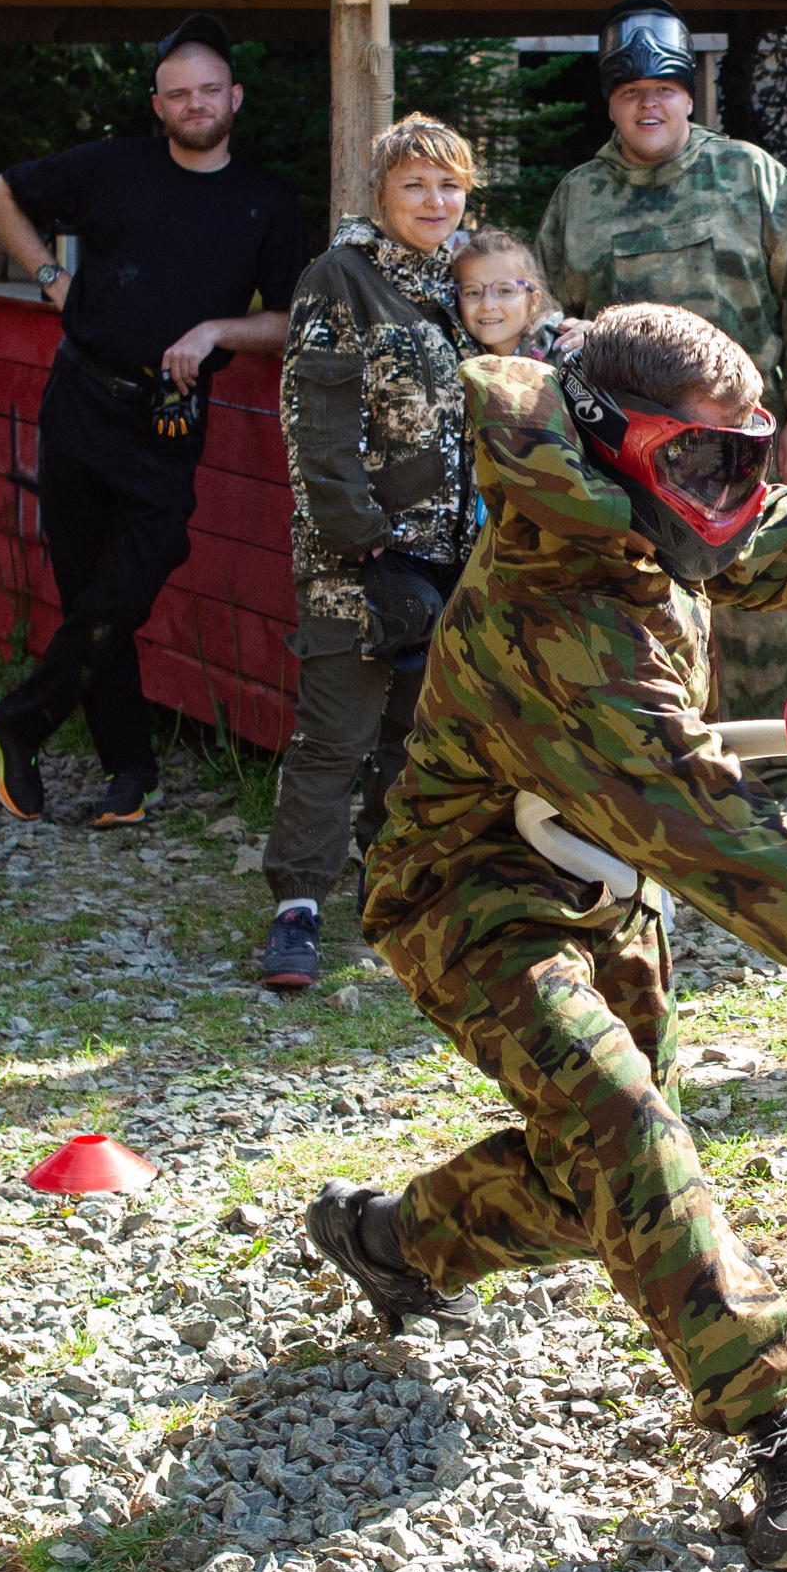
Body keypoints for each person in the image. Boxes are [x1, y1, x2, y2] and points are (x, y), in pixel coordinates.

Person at [305, 303, 787, 1571]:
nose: (726, 492)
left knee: (592, 1180)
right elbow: (736, 851)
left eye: (741, 456)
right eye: (701, 462)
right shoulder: (563, 614)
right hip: (467, 896)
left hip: (604, 883)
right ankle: (776, 1421)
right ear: (609, 438)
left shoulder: (642, 502)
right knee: (626, 1129)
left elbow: (749, 534)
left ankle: (389, 1240)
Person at [0, 13, 304, 827]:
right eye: (178, 94)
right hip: (80, 402)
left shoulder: (266, 201)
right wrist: (50, 278)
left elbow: (291, 319)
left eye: (209, 90)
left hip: (168, 418)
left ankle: (20, 720)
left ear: (235, 97)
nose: (195, 104)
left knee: (125, 588)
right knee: (89, 592)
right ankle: (131, 774)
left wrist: (217, 330)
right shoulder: (111, 168)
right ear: (158, 105)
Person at [537, 0, 787, 793]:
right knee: (643, 614)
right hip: (628, 456)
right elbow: (549, 321)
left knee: (760, 602)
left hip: (742, 444)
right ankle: (668, 781)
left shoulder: (751, 175)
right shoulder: (577, 198)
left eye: (665, 90)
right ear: (611, 101)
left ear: (689, 95)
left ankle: (783, 777)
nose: (650, 105)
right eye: (632, 92)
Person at [258, 115, 480, 991]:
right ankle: (297, 909)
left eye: (449, 185)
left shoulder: (462, 284)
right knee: (335, 738)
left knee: (415, 740)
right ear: (380, 194)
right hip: (360, 564)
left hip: (451, 563)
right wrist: (367, 547)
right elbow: (316, 429)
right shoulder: (340, 279)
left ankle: (387, 892)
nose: (433, 201)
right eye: (414, 185)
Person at [451, 227, 565, 362]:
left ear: (534, 300)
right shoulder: (452, 357)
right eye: (472, 293)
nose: (487, 305)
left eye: (504, 291)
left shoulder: (568, 355)